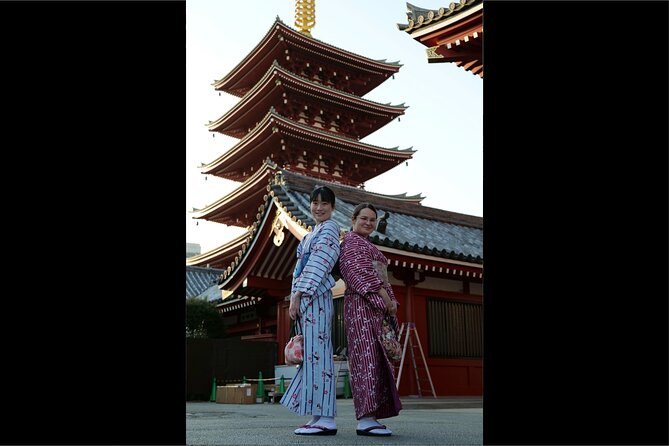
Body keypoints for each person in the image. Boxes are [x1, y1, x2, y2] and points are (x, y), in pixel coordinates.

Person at [279, 185, 341, 436]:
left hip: (314, 297)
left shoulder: (329, 230)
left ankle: (326, 418)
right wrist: (296, 297)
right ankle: (317, 415)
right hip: (307, 301)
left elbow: (318, 264)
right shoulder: (309, 235)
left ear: (332, 207)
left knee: (319, 357)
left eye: (324, 203)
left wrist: (297, 295)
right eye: (315, 202)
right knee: (311, 358)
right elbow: (300, 269)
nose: (319, 207)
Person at [338, 202, 402, 437]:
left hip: (376, 308)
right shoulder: (351, 243)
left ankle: (372, 416)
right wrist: (385, 298)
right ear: (353, 220)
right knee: (364, 359)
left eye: (372, 220)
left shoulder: (367, 244)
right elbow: (359, 273)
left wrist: (391, 302)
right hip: (361, 307)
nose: (368, 223)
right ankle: (364, 418)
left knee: (376, 359)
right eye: (363, 218)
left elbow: (384, 279)